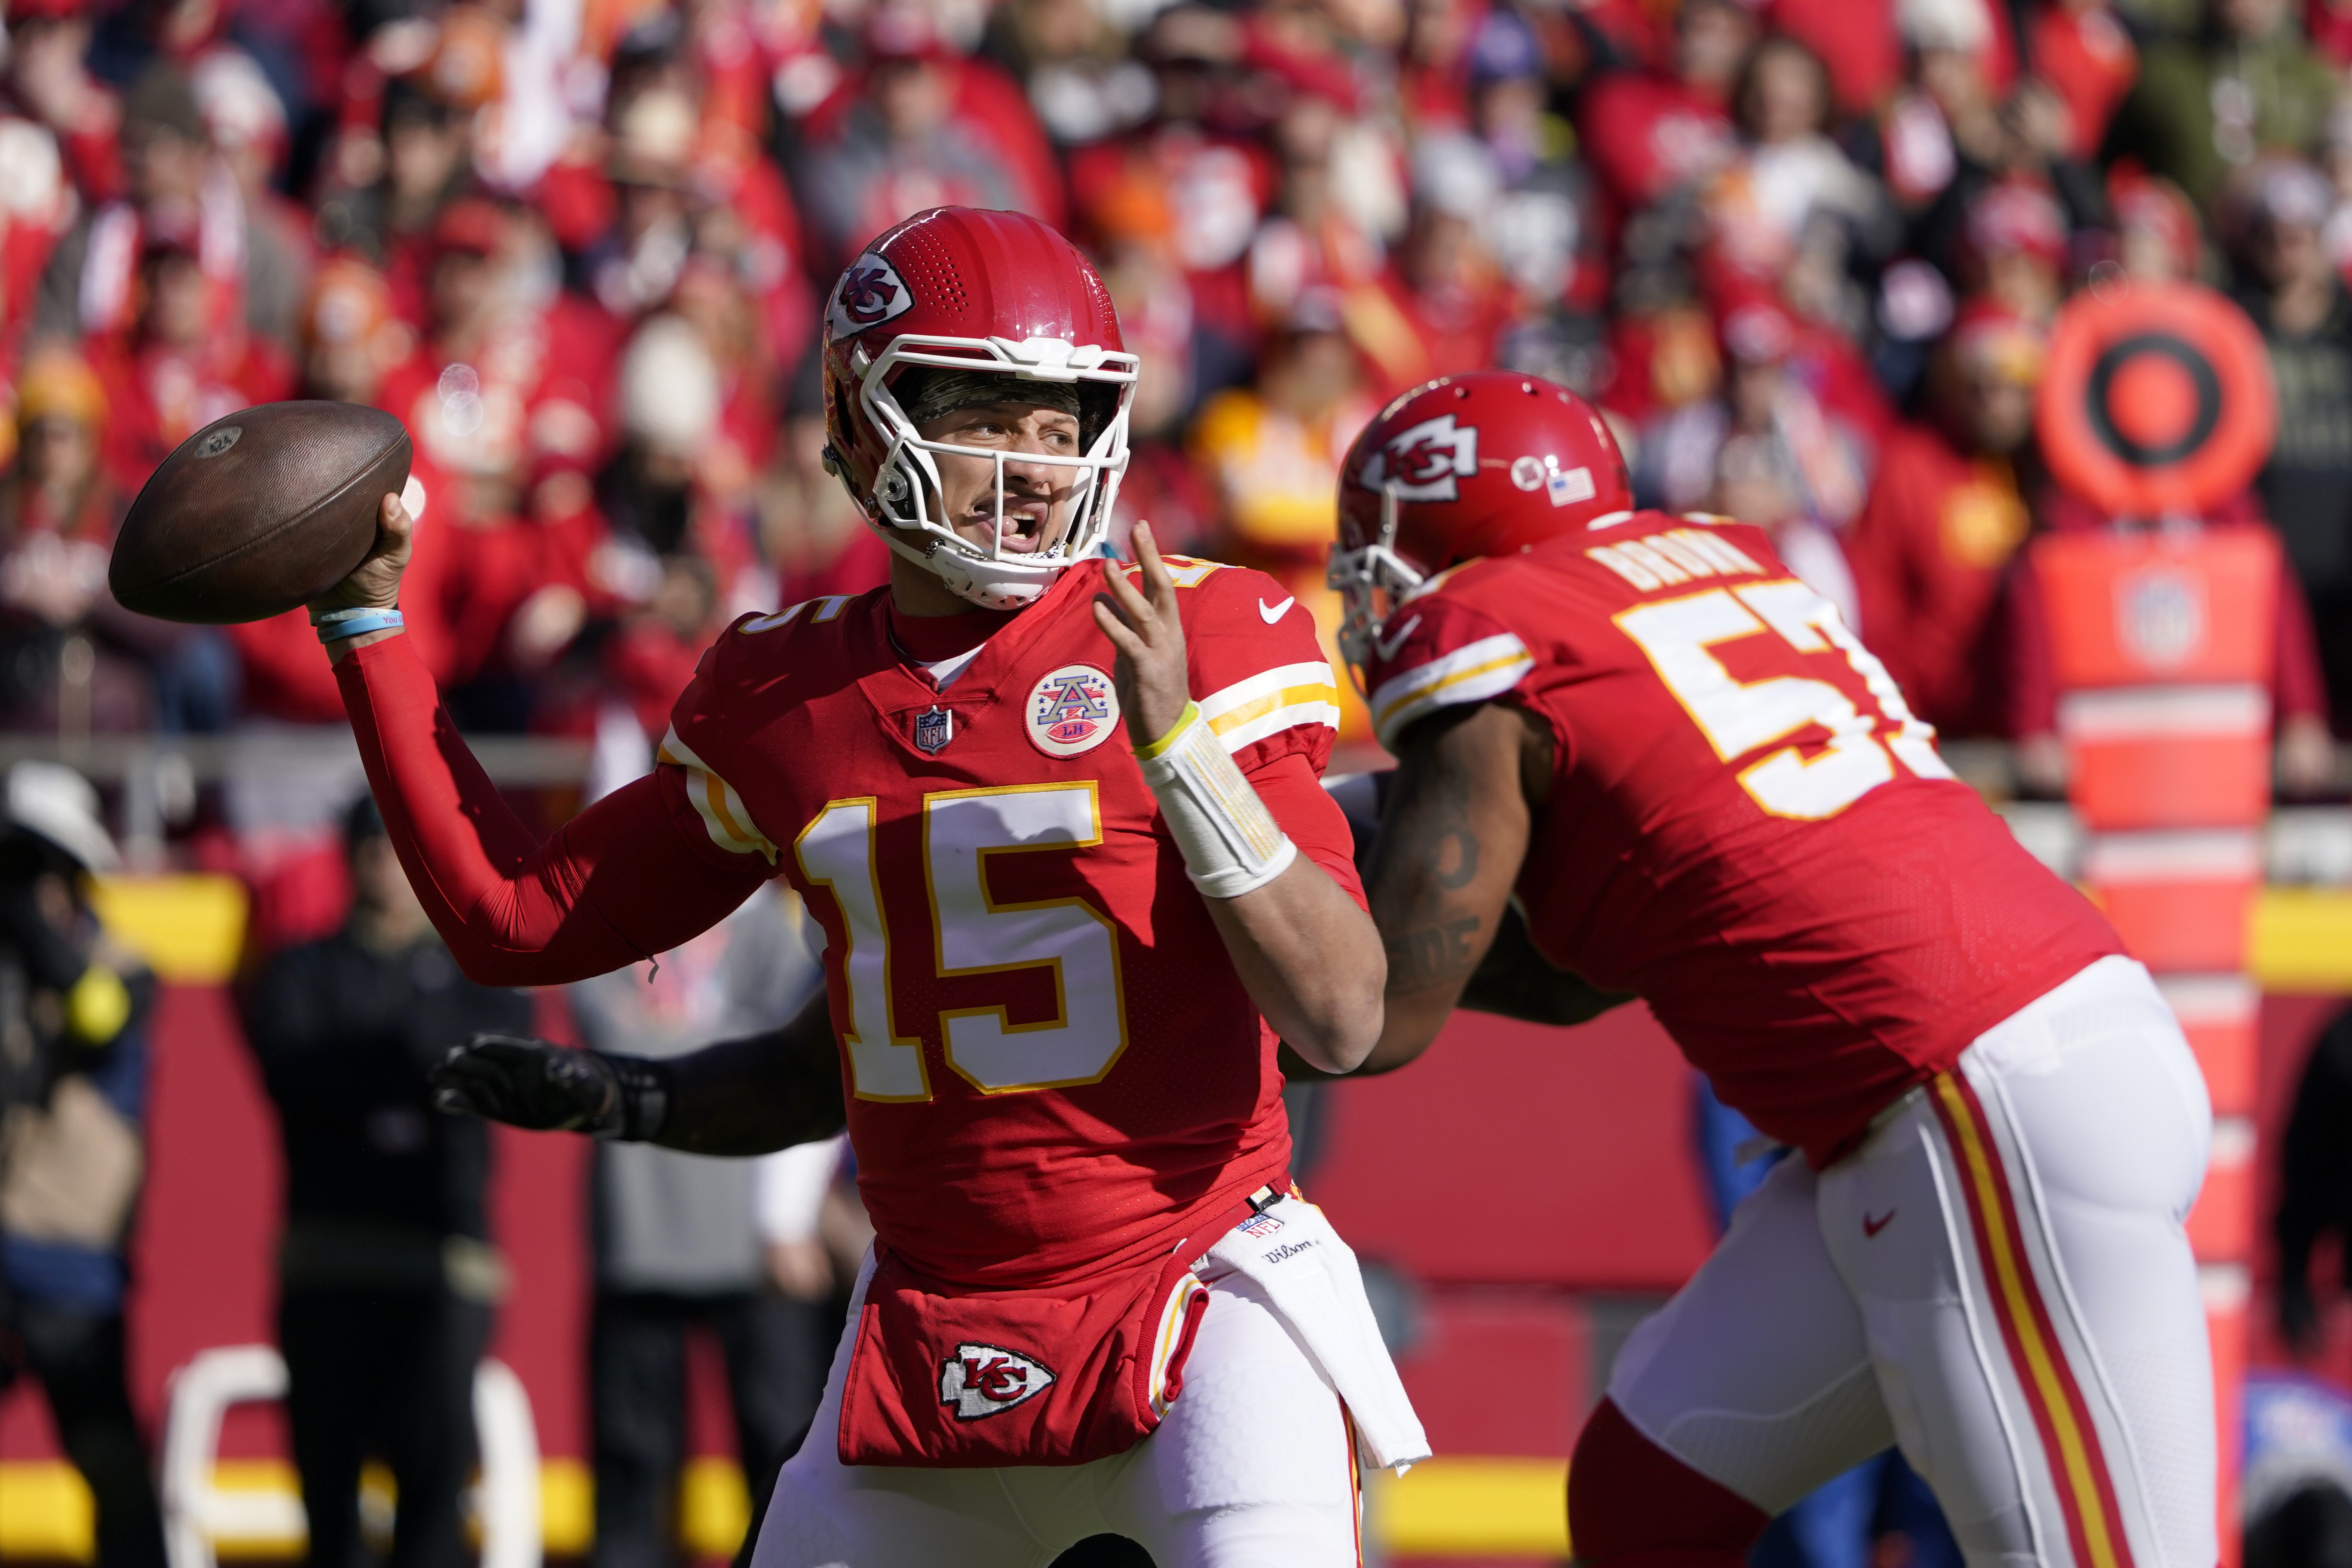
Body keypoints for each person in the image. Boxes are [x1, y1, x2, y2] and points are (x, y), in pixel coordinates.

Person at [318, 206, 1421, 1566]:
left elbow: (1342, 1015)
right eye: (983, 409)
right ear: (860, 419)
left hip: (1202, 1297)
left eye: (1059, 418)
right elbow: (513, 919)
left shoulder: (1197, 631)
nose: (1031, 461)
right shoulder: (788, 693)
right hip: (929, 1320)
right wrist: (368, 625)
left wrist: (1181, 748)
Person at [1324, 370, 2214, 1567]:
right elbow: (1577, 973)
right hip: (1970, 1084)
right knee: (1654, 1490)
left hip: (1972, 1100)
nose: (1369, 588)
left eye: (1379, 546)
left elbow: (1377, 1008)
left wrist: (1252, 871)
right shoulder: (1709, 563)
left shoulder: (1489, 628)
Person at [241, 795, 532, 1568]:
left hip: (443, 1271)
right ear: (348, 858)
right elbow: (294, 1075)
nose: (385, 864)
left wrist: (376, 1074)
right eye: (371, 847)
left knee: (433, 1504)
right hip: (330, 1262)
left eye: (400, 847)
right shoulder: (302, 968)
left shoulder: (478, 974)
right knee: (329, 1505)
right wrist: (417, 1071)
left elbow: (506, 1068)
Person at [566, 888, 833, 1568]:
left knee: (782, 1457)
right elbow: (613, 1043)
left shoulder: (772, 935)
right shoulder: (612, 925)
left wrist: (786, 1216)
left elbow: (805, 1062)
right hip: (639, 1240)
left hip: (757, 1247)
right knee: (630, 1462)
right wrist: (731, 1043)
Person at [0, 762, 164, 1568]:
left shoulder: (124, 969)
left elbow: (97, 1017)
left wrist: (30, 932)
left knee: (111, 1471)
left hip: (69, 1265)